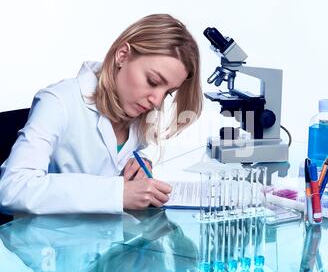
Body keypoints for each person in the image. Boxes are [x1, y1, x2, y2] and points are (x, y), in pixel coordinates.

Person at [0, 14, 202, 214]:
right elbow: (13, 189)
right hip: (49, 241)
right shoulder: (59, 101)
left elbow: (110, 158)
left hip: (106, 239)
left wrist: (139, 163)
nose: (157, 101)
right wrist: (117, 193)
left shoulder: (134, 114)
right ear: (122, 55)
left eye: (167, 93)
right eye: (153, 81)